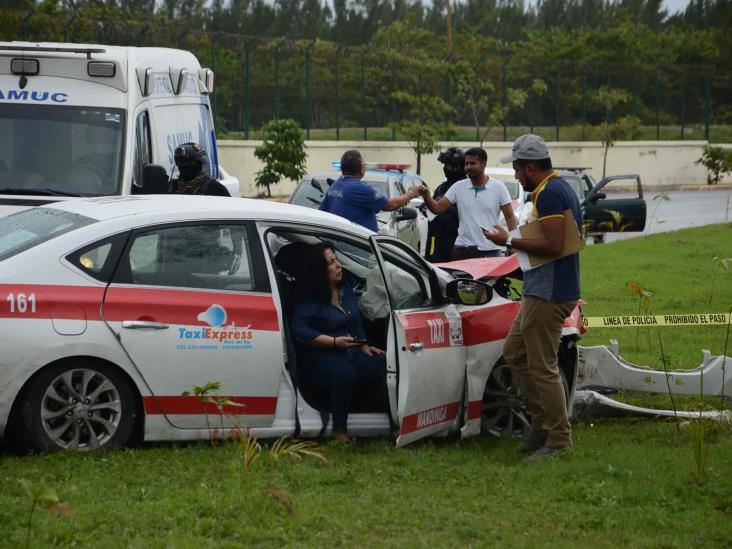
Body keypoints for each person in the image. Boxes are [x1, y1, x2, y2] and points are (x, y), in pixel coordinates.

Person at [483, 134, 582, 461]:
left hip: (549, 292)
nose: (514, 175)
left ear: (529, 167)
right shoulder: (553, 188)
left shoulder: (551, 193)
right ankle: (541, 423)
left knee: (543, 366)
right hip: (539, 289)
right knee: (515, 353)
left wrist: (509, 239)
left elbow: (554, 244)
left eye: (517, 169)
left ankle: (558, 438)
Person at [290, 243, 385, 443]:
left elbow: (356, 322)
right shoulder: (307, 299)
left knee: (381, 364)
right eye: (332, 262)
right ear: (319, 270)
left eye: (337, 260)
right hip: (321, 353)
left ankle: (394, 424)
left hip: (349, 350)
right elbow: (300, 332)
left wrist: (364, 345)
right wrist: (333, 342)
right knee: (344, 373)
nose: (339, 266)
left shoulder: (345, 289)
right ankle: (339, 430)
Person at [420, 147, 517, 259]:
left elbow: (510, 217)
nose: (468, 167)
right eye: (466, 164)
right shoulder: (458, 187)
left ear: (484, 164)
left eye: (472, 163)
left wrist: (512, 244)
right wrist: (426, 196)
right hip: (462, 250)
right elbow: (437, 208)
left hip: (491, 251)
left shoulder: (499, 188)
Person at [319, 149, 421, 231]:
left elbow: (322, 213)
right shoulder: (358, 188)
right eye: (364, 165)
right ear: (361, 169)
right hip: (358, 248)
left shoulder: (335, 186)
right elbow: (390, 205)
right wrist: (411, 193)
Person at [423, 147, 464, 262]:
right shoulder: (442, 187)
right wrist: (426, 207)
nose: (447, 168)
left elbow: (466, 211)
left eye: (451, 166)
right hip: (437, 240)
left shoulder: (465, 187)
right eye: (446, 165)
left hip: (456, 242)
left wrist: (445, 210)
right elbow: (433, 203)